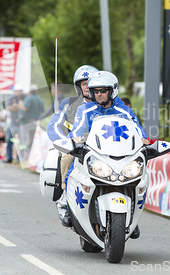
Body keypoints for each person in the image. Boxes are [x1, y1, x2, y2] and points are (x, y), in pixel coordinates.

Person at [61, 71, 148, 229]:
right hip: (94, 153)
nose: (99, 94)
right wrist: (75, 138)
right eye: (95, 91)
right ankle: (68, 207)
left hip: (121, 155)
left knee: (138, 178)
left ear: (112, 91)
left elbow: (137, 128)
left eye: (103, 91)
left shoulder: (124, 111)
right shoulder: (84, 110)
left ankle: (132, 216)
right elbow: (77, 129)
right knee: (71, 172)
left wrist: (143, 139)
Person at [47, 65, 99, 206]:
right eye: (84, 84)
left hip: (102, 148)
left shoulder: (107, 104)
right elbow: (53, 125)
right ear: (79, 87)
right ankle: (65, 192)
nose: (88, 86)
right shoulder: (69, 104)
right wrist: (67, 142)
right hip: (78, 147)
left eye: (90, 82)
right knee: (68, 156)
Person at [18, 85, 44, 161]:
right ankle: (31, 157)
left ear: (29, 91)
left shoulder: (29, 98)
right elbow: (42, 112)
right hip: (36, 122)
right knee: (33, 140)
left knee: (24, 139)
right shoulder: (40, 99)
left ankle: (24, 158)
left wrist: (20, 103)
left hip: (26, 122)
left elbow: (24, 108)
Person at [5, 85, 25, 162]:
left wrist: (16, 107)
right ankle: (9, 157)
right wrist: (18, 107)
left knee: (21, 141)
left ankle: (20, 158)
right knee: (9, 140)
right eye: (18, 91)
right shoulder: (11, 97)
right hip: (13, 122)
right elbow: (8, 108)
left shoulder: (25, 97)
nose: (19, 92)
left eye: (20, 91)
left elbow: (24, 108)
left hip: (21, 123)